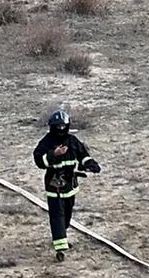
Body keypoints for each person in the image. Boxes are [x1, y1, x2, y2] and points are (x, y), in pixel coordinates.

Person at [33, 109, 100, 262]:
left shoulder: (72, 141)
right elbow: (38, 161)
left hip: (70, 185)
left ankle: (62, 233)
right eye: (58, 126)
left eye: (64, 126)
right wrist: (53, 155)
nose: (61, 129)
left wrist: (90, 164)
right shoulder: (46, 142)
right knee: (57, 215)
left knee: (67, 213)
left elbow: (83, 154)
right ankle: (60, 248)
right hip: (54, 185)